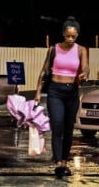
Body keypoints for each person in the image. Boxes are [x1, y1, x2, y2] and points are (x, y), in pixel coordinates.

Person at [34, 16, 89, 178]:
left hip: (72, 92)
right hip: (55, 91)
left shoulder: (81, 50)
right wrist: (38, 92)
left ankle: (65, 161)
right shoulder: (53, 49)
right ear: (63, 34)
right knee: (57, 125)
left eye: (74, 36)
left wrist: (85, 74)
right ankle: (58, 163)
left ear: (77, 35)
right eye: (68, 36)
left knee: (68, 129)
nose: (70, 39)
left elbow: (86, 67)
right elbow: (44, 71)